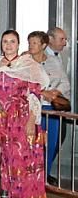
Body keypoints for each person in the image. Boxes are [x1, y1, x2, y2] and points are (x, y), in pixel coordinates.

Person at [0, 30, 50, 198]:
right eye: (5, 42)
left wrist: (32, 120)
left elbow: (34, 95)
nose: (8, 45)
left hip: (20, 119)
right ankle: (1, 194)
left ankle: (19, 197)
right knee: (1, 158)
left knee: (19, 158)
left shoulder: (27, 65)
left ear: (18, 45)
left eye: (12, 42)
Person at [27, 30, 70, 176]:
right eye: (29, 42)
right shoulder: (24, 61)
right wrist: (41, 93)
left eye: (34, 43)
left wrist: (56, 92)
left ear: (43, 45)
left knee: (51, 144)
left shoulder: (53, 61)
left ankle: (45, 176)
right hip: (32, 110)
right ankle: (31, 175)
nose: (31, 46)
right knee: (32, 144)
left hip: (51, 109)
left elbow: (65, 82)